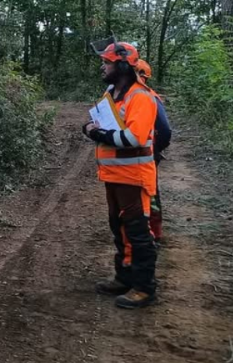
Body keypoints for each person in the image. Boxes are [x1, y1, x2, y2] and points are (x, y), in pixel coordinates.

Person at [83, 41, 159, 309]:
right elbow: (102, 123)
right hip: (114, 175)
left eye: (107, 62)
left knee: (137, 232)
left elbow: (134, 138)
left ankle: (144, 288)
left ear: (123, 66)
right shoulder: (113, 94)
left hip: (134, 176)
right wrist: (91, 128)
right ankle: (124, 277)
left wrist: (98, 133)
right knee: (120, 228)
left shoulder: (141, 97)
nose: (102, 67)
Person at [135, 60, 171, 245]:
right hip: (139, 156)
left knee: (148, 194)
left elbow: (165, 131)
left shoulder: (148, 97)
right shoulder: (146, 96)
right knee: (147, 194)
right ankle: (149, 233)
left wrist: (154, 150)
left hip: (143, 156)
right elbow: (164, 132)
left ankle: (153, 234)